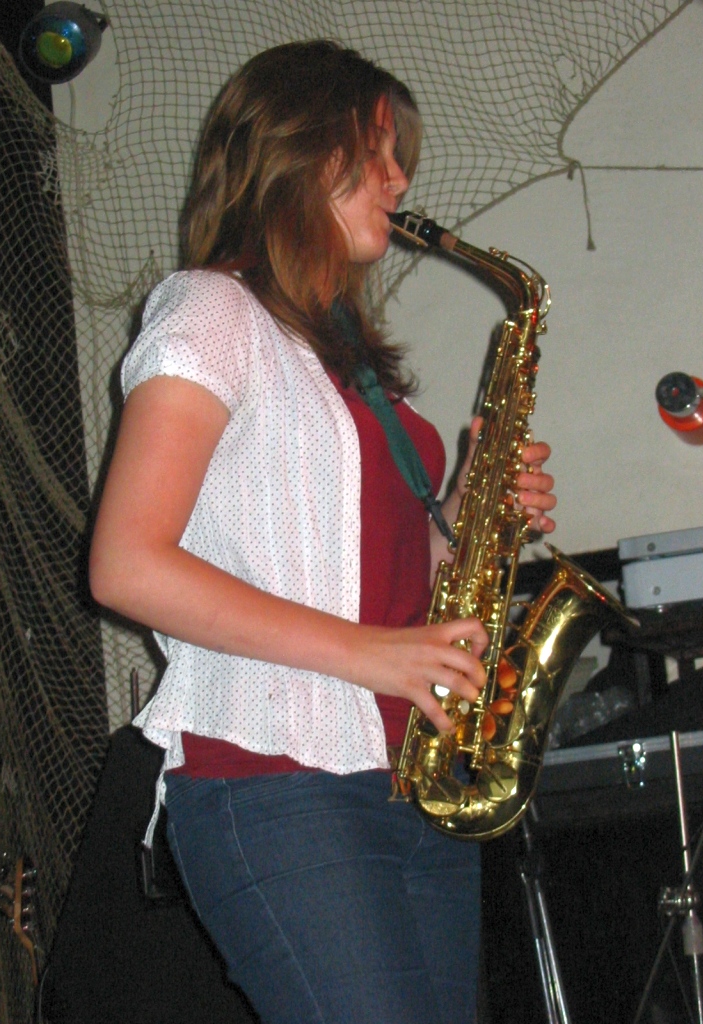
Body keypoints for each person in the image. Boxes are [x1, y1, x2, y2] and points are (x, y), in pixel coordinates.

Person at [89, 39, 556, 1024]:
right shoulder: (210, 309)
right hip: (275, 784)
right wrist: (369, 653)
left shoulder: (348, 359)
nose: (400, 180)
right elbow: (126, 565)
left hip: (410, 781)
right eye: (375, 153)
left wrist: (466, 511)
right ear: (298, 151)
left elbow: (371, 577)